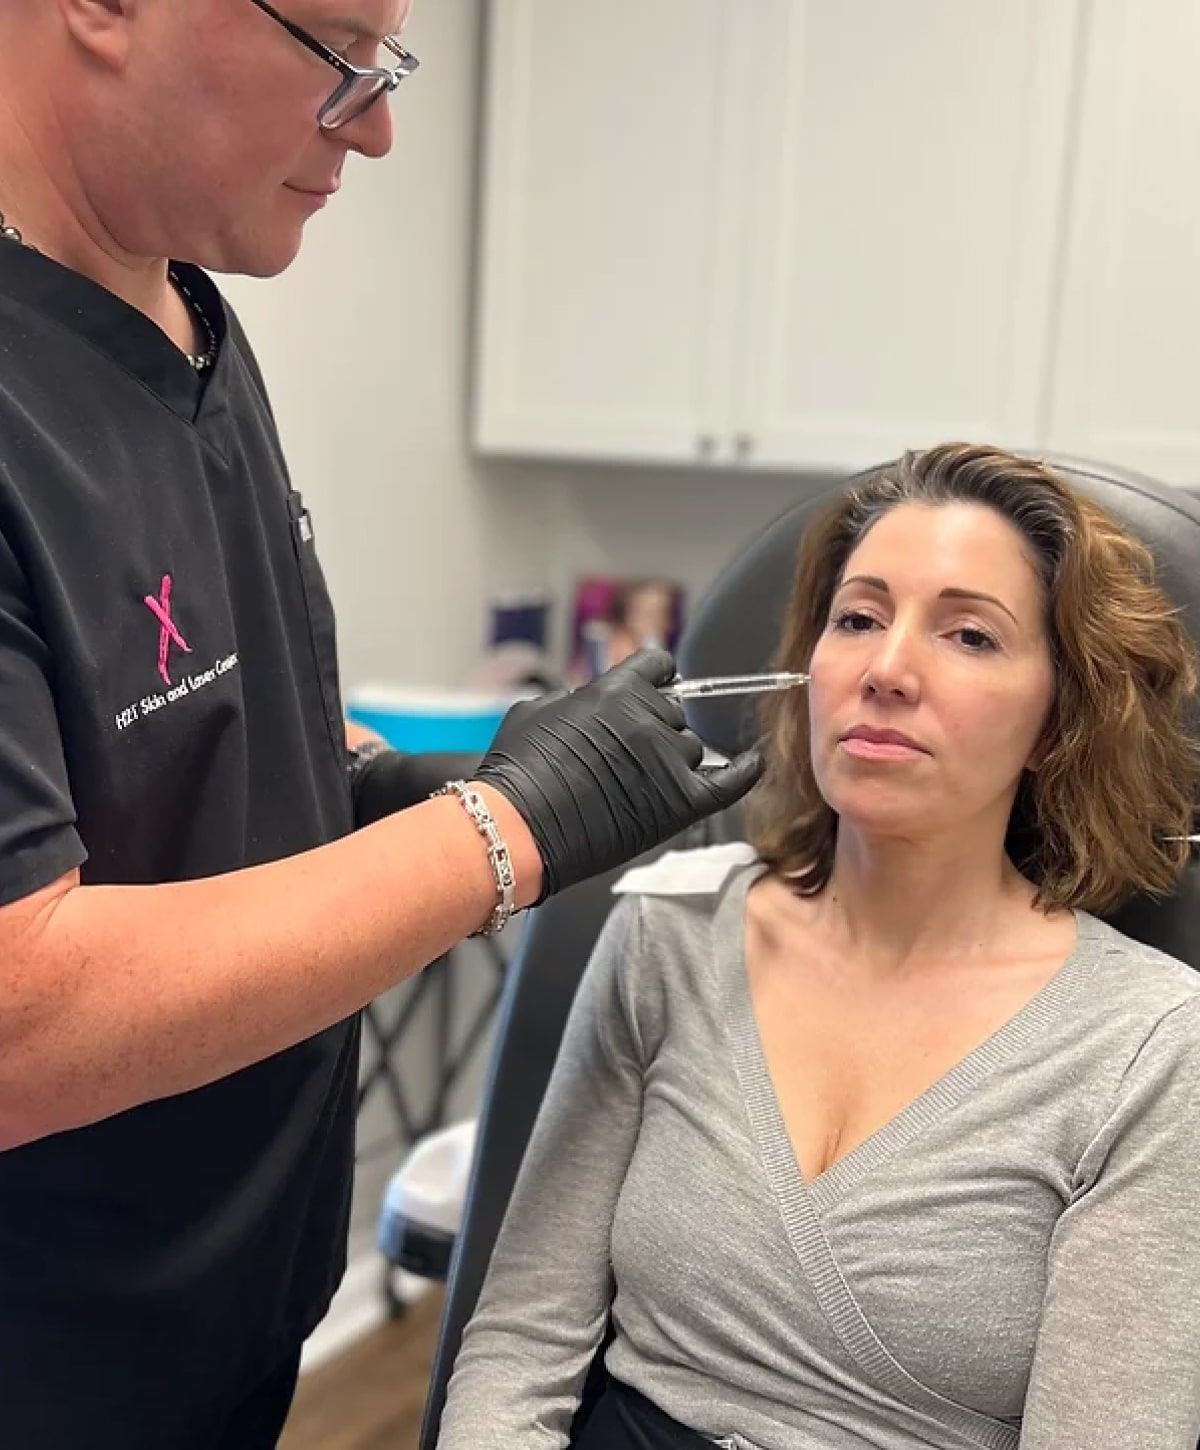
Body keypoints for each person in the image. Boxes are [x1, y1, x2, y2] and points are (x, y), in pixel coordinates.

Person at [0, 2, 762, 1446]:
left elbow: (180, 725)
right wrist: (507, 827)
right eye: (340, 52)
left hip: (227, 1319)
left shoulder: (186, 314)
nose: (382, 122)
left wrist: (374, 786)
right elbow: (17, 1019)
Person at [438, 443, 1200, 1450]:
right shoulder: (669, 936)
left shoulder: (1150, 1050)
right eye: (859, 618)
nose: (887, 670)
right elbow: (520, 1347)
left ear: (1061, 713)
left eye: (969, 634)